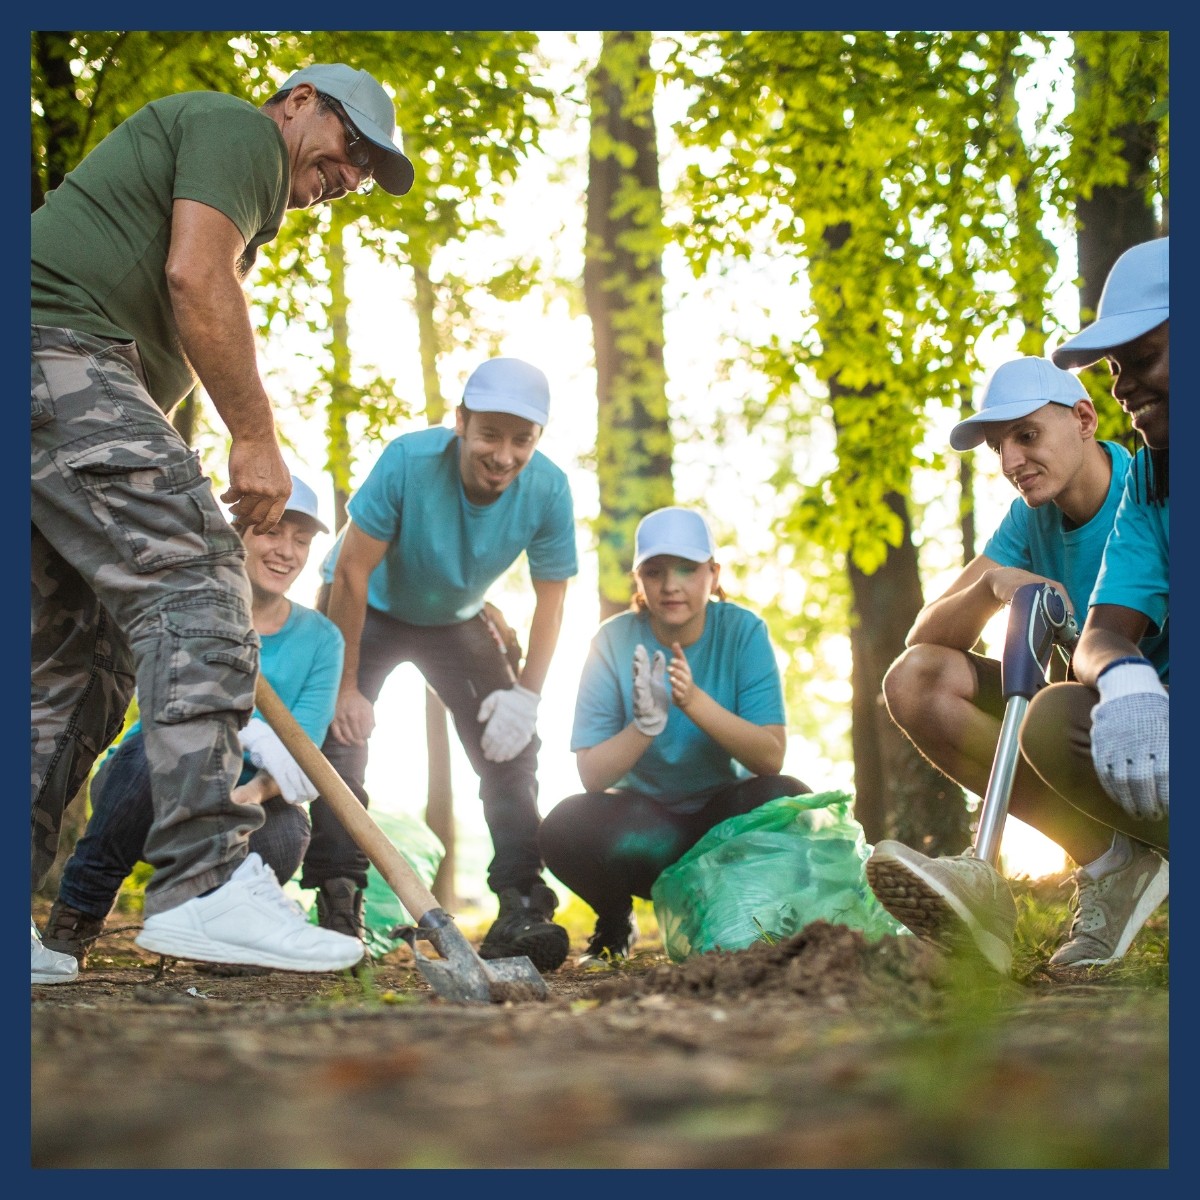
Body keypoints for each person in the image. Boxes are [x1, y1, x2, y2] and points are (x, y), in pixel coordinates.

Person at [31, 62, 415, 980]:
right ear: (296, 104)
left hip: (52, 381)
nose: (348, 177)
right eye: (347, 148)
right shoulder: (235, 132)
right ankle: (204, 882)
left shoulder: (237, 190)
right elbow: (195, 274)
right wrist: (254, 436)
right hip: (52, 351)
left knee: (72, 666)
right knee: (202, 573)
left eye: (360, 173)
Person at [867, 242, 1170, 973]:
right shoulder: (1029, 524)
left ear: (1086, 418)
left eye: (1026, 436)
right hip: (1111, 735)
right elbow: (922, 639)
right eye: (1001, 447)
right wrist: (995, 585)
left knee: (1060, 706)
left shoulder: (1140, 482)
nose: (1011, 461)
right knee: (918, 679)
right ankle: (1111, 868)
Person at [308, 356, 578, 971]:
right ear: (461, 423)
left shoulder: (548, 490)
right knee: (342, 738)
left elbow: (552, 599)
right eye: (490, 434)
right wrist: (346, 687)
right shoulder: (408, 461)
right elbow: (351, 570)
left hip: (455, 618)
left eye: (522, 440)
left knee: (510, 745)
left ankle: (521, 905)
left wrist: (527, 696)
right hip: (366, 606)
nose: (504, 454)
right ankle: (339, 900)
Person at [41, 475, 343, 970]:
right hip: (156, 781)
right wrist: (248, 732)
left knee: (288, 835)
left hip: (248, 797)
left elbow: (301, 752)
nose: (287, 551)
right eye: (272, 531)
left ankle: (226, 933)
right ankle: (78, 914)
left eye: (302, 540)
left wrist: (244, 796)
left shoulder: (322, 639)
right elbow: (174, 709)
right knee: (147, 760)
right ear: (238, 534)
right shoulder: (192, 609)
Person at [538, 506, 810, 968]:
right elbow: (592, 774)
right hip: (646, 835)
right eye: (655, 571)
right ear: (638, 578)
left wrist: (695, 703)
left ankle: (743, 920)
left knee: (789, 800)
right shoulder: (612, 640)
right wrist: (645, 725)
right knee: (563, 824)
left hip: (721, 825)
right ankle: (615, 920)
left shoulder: (744, 631)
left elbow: (770, 758)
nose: (671, 585)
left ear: (713, 573)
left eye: (687, 569)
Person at [1019, 236, 1170, 962]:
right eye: (1114, 370)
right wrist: (1126, 679)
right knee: (1056, 721)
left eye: (1142, 360)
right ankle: (1126, 868)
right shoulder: (1151, 482)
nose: (1122, 388)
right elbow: (1102, 631)